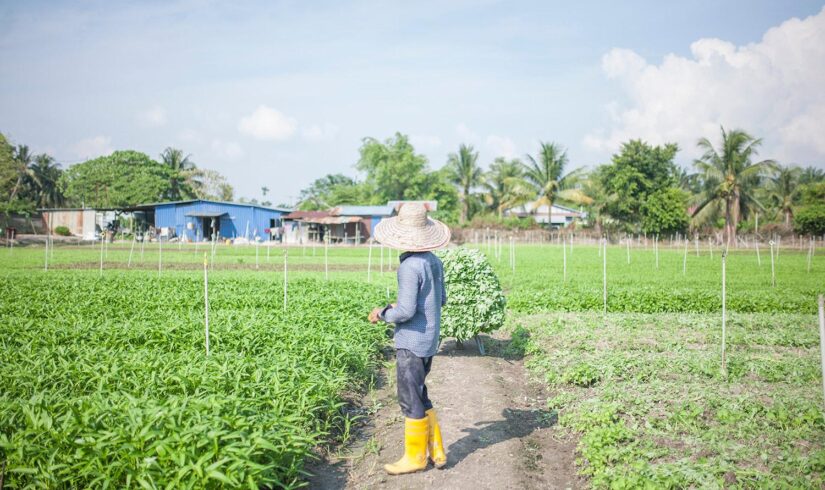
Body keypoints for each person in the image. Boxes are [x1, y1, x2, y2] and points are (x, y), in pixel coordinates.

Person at [368, 202, 451, 475]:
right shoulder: (433, 261)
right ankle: (436, 449)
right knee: (420, 392)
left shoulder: (409, 266)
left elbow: (404, 311)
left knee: (409, 398)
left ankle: (415, 458)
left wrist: (382, 313)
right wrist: (401, 305)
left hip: (411, 344)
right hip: (429, 341)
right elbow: (440, 299)